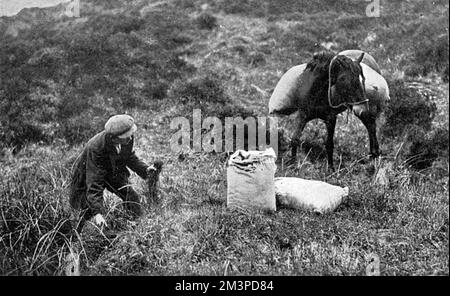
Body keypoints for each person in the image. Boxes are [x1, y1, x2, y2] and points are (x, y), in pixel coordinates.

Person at [69, 114, 162, 232]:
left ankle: (137, 228)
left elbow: (129, 157)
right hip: (89, 172)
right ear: (113, 138)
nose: (130, 138)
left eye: (130, 135)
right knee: (84, 210)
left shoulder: (128, 138)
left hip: (113, 170)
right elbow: (94, 181)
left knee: (131, 196)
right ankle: (77, 238)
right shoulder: (96, 148)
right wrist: (98, 212)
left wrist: (145, 169)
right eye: (126, 137)